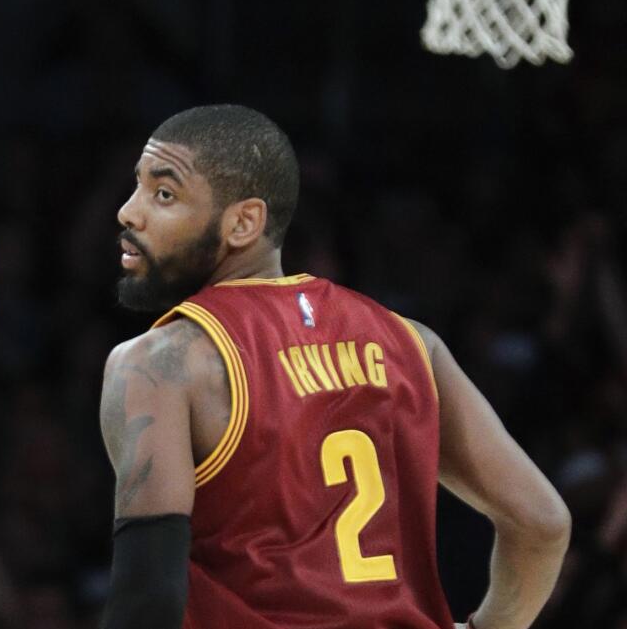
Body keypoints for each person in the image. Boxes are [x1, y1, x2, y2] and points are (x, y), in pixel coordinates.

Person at [98, 104, 570, 629]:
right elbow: (542, 524)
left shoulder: (161, 363)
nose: (129, 211)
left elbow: (147, 601)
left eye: (163, 194)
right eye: (136, 187)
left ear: (243, 223)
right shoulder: (412, 343)